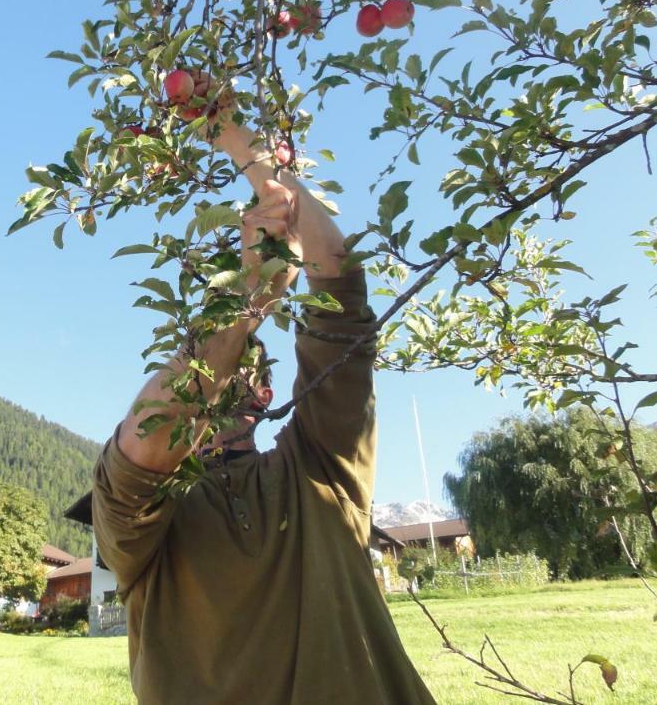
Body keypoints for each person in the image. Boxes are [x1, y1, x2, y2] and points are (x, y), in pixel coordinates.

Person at [91, 114, 437, 704]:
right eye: (212, 364)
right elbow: (150, 436)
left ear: (267, 392)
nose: (224, 374)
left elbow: (341, 295)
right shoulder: (144, 518)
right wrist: (247, 297)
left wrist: (242, 146)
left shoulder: (320, 472)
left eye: (241, 361)